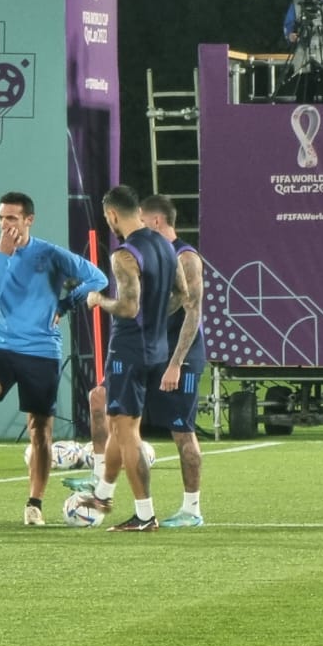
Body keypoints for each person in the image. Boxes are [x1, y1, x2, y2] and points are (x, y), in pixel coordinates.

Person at [0, 191, 107, 526]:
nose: (5, 225)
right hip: (2, 347)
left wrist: (65, 304)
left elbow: (98, 278)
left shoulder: (50, 254)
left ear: (29, 220)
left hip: (42, 350)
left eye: (12, 218)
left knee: (40, 431)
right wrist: (4, 256)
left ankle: (34, 504)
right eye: (1, 218)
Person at [66, 196, 206, 527]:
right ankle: (102, 493)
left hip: (129, 350)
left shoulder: (124, 254)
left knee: (127, 430)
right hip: (157, 349)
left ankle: (144, 514)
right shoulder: (167, 247)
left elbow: (128, 308)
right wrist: (156, 319)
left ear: (113, 215)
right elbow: (182, 296)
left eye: (107, 217)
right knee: (119, 424)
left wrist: (99, 299)